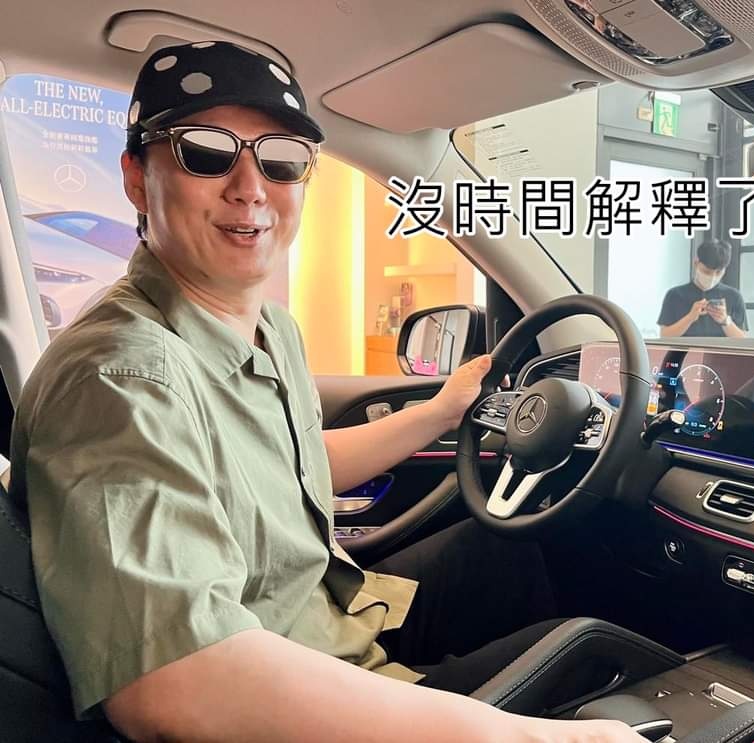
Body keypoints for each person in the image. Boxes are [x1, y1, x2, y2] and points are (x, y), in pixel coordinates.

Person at [8, 42, 645, 743]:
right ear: (137, 177)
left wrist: (442, 409)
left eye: (281, 160)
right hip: (280, 684)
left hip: (328, 618)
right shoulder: (120, 378)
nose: (250, 187)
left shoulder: (270, 327)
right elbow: (174, 682)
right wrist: (540, 736)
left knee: (519, 549)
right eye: (206, 152)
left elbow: (297, 462)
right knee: (590, 650)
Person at [657, 239, 749, 338]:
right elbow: (664, 336)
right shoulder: (674, 295)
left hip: (720, 349)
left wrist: (725, 321)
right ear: (696, 263)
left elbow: (743, 341)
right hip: (686, 349)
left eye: (718, 272)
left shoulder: (734, 296)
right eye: (707, 271)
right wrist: (690, 318)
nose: (712, 277)